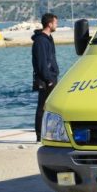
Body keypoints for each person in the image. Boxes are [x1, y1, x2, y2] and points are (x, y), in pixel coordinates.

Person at [32, 13, 59, 143]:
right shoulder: (40, 41)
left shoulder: (49, 38)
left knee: (52, 107)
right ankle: (39, 135)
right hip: (45, 79)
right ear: (49, 24)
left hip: (52, 77)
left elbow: (51, 59)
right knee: (42, 106)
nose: (56, 25)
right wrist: (48, 79)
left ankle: (50, 132)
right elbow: (41, 63)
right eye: (55, 23)